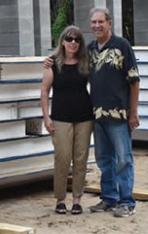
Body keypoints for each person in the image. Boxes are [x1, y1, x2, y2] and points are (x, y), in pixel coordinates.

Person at [44, 7, 140, 218]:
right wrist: (49, 60)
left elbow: (134, 81)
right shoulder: (90, 50)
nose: (97, 26)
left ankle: (127, 202)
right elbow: (67, 54)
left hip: (119, 114)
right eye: (93, 22)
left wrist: (133, 113)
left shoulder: (122, 46)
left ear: (109, 23)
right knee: (104, 160)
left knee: (124, 158)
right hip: (96, 115)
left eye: (101, 22)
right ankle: (109, 199)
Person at [41, 25, 94, 215]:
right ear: (63, 41)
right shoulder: (52, 64)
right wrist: (46, 117)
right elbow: (45, 91)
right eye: (69, 39)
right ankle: (60, 200)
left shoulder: (86, 63)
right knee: (62, 158)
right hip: (60, 118)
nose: (73, 43)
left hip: (84, 118)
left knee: (81, 159)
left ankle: (77, 200)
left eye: (77, 40)